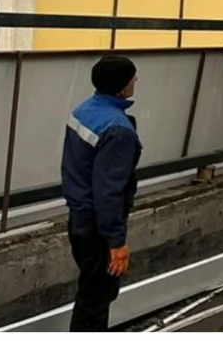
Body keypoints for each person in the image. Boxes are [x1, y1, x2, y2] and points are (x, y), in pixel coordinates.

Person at [61, 56, 142, 331]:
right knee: (95, 298)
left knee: (91, 290)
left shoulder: (84, 111)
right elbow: (109, 192)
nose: (135, 81)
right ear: (122, 87)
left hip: (78, 217)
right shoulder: (118, 130)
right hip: (97, 225)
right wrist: (116, 242)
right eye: (133, 77)